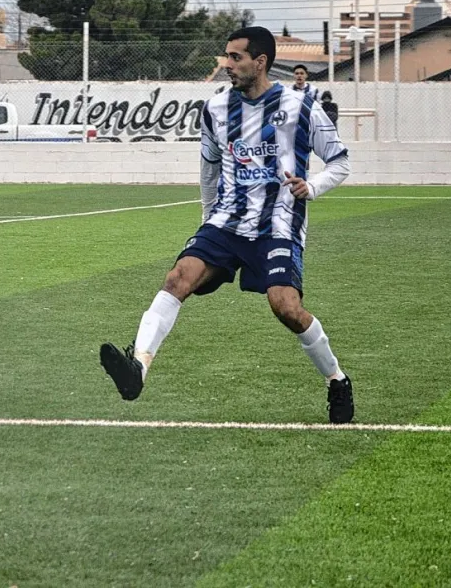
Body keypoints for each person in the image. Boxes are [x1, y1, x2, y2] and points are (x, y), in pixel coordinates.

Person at [99, 26, 355, 424]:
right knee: (176, 279)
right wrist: (205, 224)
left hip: (278, 224)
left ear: (261, 62)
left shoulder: (300, 106)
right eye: (226, 57)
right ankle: (138, 368)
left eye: (235, 58)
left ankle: (337, 379)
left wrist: (313, 186)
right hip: (225, 223)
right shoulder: (216, 109)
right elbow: (209, 169)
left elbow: (340, 161)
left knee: (286, 308)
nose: (227, 65)